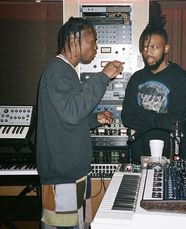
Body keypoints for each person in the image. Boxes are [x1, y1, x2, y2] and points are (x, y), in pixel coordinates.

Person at [36, 17, 124, 229]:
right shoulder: (58, 72)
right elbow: (73, 112)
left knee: (78, 225)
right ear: (75, 40)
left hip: (72, 173)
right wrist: (103, 76)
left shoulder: (66, 71)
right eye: (92, 42)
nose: (96, 48)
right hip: (62, 176)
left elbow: (66, 119)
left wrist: (95, 119)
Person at [121, 16, 186, 164]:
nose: (148, 52)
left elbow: (175, 122)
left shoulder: (181, 78)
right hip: (140, 155)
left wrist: (141, 115)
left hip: (172, 155)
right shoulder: (136, 78)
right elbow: (127, 117)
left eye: (154, 47)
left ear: (166, 48)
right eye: (145, 47)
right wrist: (161, 119)